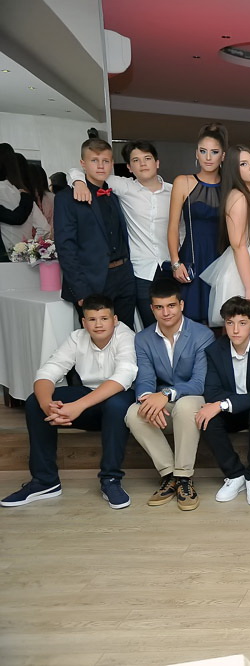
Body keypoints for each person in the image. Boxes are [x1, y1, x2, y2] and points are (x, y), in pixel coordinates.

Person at [1, 294, 137, 509]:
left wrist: (77, 406)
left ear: (115, 320)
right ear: (84, 322)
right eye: (92, 319)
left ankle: (111, 479)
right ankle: (45, 481)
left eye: (104, 318)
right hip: (88, 400)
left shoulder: (125, 335)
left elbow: (123, 377)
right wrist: (48, 407)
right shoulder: (76, 337)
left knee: (117, 403)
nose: (98, 324)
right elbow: (48, 372)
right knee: (34, 401)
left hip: (117, 403)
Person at [125, 279, 215, 510]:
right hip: (164, 402)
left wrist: (165, 394)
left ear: (181, 305)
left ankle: (184, 477)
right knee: (134, 412)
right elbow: (145, 379)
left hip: (192, 397)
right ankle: (170, 475)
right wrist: (147, 400)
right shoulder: (143, 338)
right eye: (159, 307)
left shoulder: (202, 334)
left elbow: (199, 383)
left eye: (171, 306)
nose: (166, 313)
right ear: (152, 309)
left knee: (186, 406)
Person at [69, 139, 173, 328]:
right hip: (141, 270)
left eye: (147, 158)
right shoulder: (124, 186)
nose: (142, 164)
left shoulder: (174, 191)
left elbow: (181, 228)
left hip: (171, 267)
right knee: (150, 326)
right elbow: (86, 172)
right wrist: (78, 182)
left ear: (157, 162)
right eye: (136, 160)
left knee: (173, 322)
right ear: (129, 167)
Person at [196, 296, 250, 505]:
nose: (235, 330)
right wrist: (222, 405)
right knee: (207, 417)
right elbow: (212, 391)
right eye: (230, 323)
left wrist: (224, 403)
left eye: (242, 323)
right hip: (229, 412)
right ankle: (235, 474)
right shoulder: (215, 350)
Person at [53, 138, 135, 325]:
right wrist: (80, 290)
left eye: (105, 161)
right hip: (91, 280)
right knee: (97, 337)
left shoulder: (115, 194)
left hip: (124, 276)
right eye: (94, 160)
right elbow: (65, 246)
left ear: (112, 164)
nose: (100, 166)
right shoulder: (67, 198)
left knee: (126, 333)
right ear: (83, 164)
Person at [200, 145, 250, 331]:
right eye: (243, 164)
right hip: (249, 269)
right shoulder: (237, 197)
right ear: (233, 169)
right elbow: (238, 245)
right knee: (245, 330)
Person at [168, 123, 227, 324]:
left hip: (223, 258)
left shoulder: (230, 186)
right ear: (196, 153)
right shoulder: (183, 182)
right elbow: (173, 227)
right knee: (191, 319)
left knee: (224, 316)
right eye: (203, 151)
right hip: (193, 257)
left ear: (223, 156)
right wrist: (175, 263)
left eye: (214, 152)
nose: (208, 157)